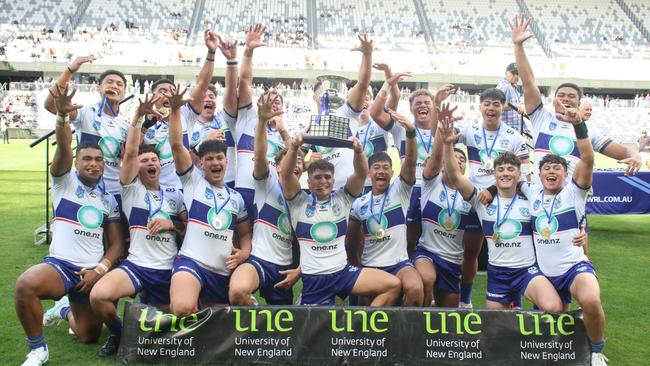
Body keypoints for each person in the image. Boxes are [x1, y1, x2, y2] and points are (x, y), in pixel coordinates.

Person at [15, 84, 124, 366]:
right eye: (87, 159)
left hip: (89, 273)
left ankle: (64, 310)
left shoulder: (108, 199)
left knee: (88, 335)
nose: (94, 164)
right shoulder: (64, 182)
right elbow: (63, 148)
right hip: (60, 266)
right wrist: (62, 118)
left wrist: (99, 271)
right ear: (76, 163)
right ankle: (38, 349)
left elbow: (116, 245)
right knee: (26, 284)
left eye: (99, 160)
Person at [88, 95, 187, 357]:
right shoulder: (131, 190)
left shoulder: (175, 195)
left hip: (168, 268)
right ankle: (119, 334)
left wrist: (172, 224)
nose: (150, 163)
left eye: (154, 160)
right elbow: (131, 151)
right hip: (137, 265)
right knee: (99, 296)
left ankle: (147, 317)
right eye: (144, 161)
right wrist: (137, 118)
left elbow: (188, 229)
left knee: (178, 320)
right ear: (136, 167)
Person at [516, 100, 609, 366]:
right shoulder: (531, 191)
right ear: (540, 174)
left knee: (591, 300)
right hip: (543, 271)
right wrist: (488, 189)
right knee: (554, 317)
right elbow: (507, 177)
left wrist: (578, 124)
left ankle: (597, 351)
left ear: (566, 174)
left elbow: (588, 158)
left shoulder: (574, 191)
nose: (552, 171)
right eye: (547, 168)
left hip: (573, 268)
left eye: (557, 168)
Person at [438, 116, 563, 313]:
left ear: (518, 174)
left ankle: (535, 336)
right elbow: (455, 176)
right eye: (501, 170)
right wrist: (446, 146)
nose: (505, 173)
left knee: (553, 307)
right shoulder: (481, 201)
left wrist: (579, 232)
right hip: (497, 274)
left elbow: (556, 211)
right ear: (494, 175)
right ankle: (516, 311)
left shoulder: (530, 200)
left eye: (511, 169)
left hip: (526, 271)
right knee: (496, 327)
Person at [511, 15, 642, 179]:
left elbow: (623, 151)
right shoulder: (541, 117)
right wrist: (518, 46)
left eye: (571, 96)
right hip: (541, 199)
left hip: (573, 199)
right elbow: (528, 82)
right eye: (561, 95)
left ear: (579, 103)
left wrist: (636, 156)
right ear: (554, 100)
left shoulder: (589, 132)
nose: (566, 98)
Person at [280, 132, 401, 306]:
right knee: (318, 331)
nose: (323, 181)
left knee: (393, 285)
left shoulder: (342, 199)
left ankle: (362, 327)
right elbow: (286, 175)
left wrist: (359, 151)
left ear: (333, 180)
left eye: (327, 177)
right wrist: (293, 147)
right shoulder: (298, 202)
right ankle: (305, 303)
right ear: (308, 182)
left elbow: (361, 174)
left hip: (343, 273)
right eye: (318, 177)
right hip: (316, 279)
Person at [166, 85, 251, 316]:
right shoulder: (193, 181)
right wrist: (175, 111)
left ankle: (202, 307)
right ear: (201, 163)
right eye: (210, 159)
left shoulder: (237, 199)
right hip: (192, 263)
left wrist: (244, 253)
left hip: (222, 273)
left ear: (226, 161)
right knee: (182, 308)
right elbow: (176, 145)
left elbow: (245, 234)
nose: (215, 163)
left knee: (222, 322)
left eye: (220, 158)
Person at [454, 87, 531, 308]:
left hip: (500, 201)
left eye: (496, 104)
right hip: (473, 201)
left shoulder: (514, 137)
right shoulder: (469, 129)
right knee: (470, 252)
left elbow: (523, 173)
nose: (491, 108)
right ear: (480, 107)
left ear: (503, 107)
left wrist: (493, 189)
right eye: (487, 104)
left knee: (510, 248)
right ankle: (465, 301)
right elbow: (444, 138)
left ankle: (514, 300)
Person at [228, 94, 302, 306]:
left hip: (284, 267)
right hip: (259, 261)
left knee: (282, 327)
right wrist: (261, 121)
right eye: (289, 162)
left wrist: (299, 270)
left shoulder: (304, 199)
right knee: (238, 291)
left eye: (299, 164)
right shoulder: (266, 185)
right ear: (277, 167)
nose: (295, 166)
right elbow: (260, 155)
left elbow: (313, 244)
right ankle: (253, 310)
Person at [369, 84, 457, 256]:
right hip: (408, 190)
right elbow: (376, 113)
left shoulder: (443, 129)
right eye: (418, 103)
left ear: (433, 108)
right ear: (410, 108)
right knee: (407, 238)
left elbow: (438, 134)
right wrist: (389, 82)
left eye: (427, 102)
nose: (422, 105)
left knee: (435, 237)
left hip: (434, 189)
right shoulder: (401, 127)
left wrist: (438, 102)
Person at [348, 110, 423, 306]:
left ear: (392, 171)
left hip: (399, 264)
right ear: (369, 173)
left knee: (415, 288)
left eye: (385, 167)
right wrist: (357, 265)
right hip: (371, 265)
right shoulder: (359, 203)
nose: (381, 171)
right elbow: (352, 240)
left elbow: (411, 163)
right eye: (376, 167)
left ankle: (403, 332)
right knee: (364, 301)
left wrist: (411, 134)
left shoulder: (401, 190)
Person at [143, 30, 221, 189]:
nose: (168, 94)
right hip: (158, 193)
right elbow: (130, 155)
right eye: (162, 91)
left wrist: (211, 52)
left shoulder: (185, 114)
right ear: (152, 96)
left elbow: (202, 86)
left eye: (171, 90)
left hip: (187, 189)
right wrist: (143, 124)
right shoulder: (144, 124)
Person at [44, 56, 128, 200]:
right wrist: (70, 70)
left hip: (116, 191)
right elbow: (51, 105)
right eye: (109, 82)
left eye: (119, 84)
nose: (114, 86)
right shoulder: (85, 113)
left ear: (124, 92)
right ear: (99, 88)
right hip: (85, 190)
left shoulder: (127, 125)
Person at [414, 103, 473, 307]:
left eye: (461, 159)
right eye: (453, 157)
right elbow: (437, 156)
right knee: (426, 279)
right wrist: (441, 130)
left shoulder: (470, 193)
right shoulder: (431, 183)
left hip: (452, 261)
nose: (457, 161)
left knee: (448, 317)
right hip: (427, 252)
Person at [230, 24, 291, 222]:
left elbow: (295, 163)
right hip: (245, 189)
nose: (273, 105)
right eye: (268, 100)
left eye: (277, 102)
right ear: (259, 103)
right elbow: (245, 81)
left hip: (273, 191)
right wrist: (247, 51)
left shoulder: (284, 134)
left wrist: (283, 132)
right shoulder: (248, 117)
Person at [307, 34, 375, 191]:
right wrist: (308, 162)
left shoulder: (346, 113)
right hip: (323, 193)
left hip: (350, 192)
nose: (328, 94)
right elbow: (299, 164)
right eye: (324, 91)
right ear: (315, 97)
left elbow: (363, 84)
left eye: (333, 90)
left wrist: (367, 54)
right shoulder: (312, 125)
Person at [189, 37, 239, 188]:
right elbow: (186, 162)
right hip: (199, 186)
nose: (208, 99)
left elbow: (231, 90)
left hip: (229, 185)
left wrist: (231, 61)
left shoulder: (225, 119)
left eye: (211, 96)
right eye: (203, 97)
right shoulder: (189, 123)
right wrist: (205, 142)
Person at [496, 62, 526, 132]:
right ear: (506, 73)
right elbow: (497, 106)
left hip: (513, 129)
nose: (516, 76)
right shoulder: (504, 86)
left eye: (518, 74)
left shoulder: (514, 87)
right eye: (513, 73)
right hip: (506, 129)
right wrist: (516, 107)